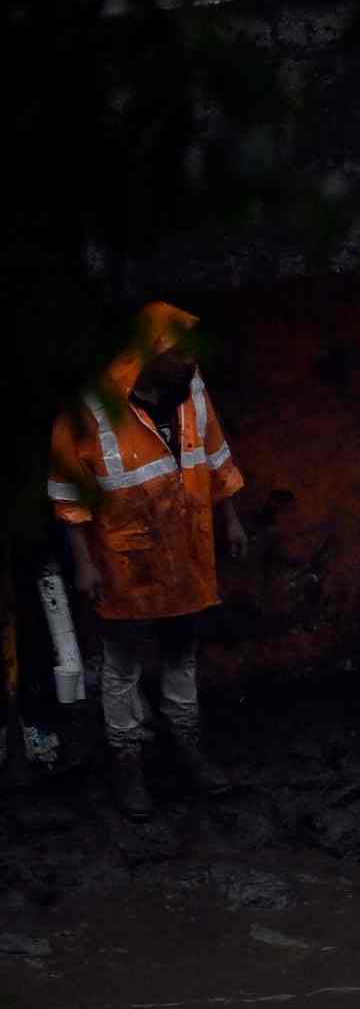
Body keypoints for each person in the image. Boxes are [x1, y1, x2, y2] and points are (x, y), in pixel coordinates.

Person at [46, 303, 239, 822]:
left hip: (187, 553)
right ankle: (127, 765)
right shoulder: (94, 407)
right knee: (122, 666)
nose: (189, 365)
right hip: (125, 561)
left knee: (181, 653)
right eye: (179, 355)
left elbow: (216, 455)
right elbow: (69, 492)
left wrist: (233, 520)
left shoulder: (193, 390)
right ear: (151, 354)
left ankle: (189, 750)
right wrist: (84, 564)